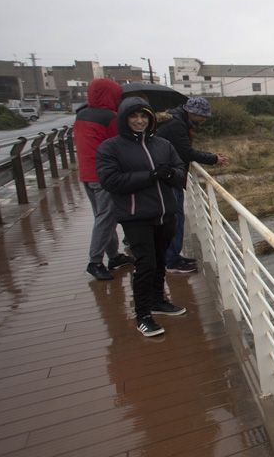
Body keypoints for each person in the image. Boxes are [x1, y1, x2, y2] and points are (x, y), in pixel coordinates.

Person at [97, 97, 188, 337]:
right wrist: (150, 175)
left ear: (151, 119)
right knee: (145, 264)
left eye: (144, 116)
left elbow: (180, 172)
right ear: (124, 120)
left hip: (165, 213)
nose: (140, 121)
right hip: (136, 216)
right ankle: (143, 314)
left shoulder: (163, 144)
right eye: (134, 116)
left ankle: (158, 300)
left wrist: (169, 174)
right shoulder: (111, 147)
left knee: (159, 261)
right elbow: (110, 181)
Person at [155, 96, 228, 273]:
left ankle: (172, 257)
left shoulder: (177, 120)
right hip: (170, 176)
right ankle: (172, 260)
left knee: (174, 217)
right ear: (193, 113)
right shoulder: (176, 125)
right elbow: (185, 152)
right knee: (175, 217)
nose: (204, 120)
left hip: (169, 175)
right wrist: (213, 158)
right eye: (202, 116)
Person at [74, 78, 134, 280]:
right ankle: (95, 261)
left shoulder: (81, 115)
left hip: (86, 174)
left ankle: (114, 256)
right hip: (104, 176)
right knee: (106, 218)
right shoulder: (110, 117)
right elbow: (122, 143)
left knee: (103, 217)